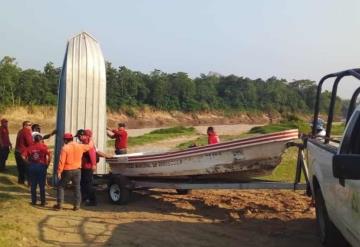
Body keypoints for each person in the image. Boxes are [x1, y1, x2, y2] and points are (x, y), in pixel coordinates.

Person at [53, 133, 91, 211]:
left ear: (66, 140)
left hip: (67, 170)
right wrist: (90, 139)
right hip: (77, 170)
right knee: (77, 187)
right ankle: (77, 206)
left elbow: (61, 161)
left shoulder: (65, 148)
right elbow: (90, 146)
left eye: (64, 139)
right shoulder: (80, 146)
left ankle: (59, 204)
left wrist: (59, 171)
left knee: (61, 186)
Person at [75, 129, 110, 206]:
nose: (78, 138)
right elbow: (96, 152)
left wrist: (94, 164)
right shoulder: (86, 142)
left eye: (78, 136)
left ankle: (92, 201)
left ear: (83, 136)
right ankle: (84, 198)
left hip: (87, 167)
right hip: (84, 166)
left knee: (88, 184)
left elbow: (93, 154)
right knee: (83, 183)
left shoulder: (88, 143)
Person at [22, 135, 51, 206]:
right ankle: (43, 202)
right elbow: (49, 155)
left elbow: (22, 156)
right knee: (42, 185)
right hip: (41, 166)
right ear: (41, 140)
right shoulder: (44, 147)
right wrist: (47, 164)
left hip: (32, 167)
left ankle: (34, 201)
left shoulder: (30, 147)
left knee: (33, 185)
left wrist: (27, 163)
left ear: (34, 140)